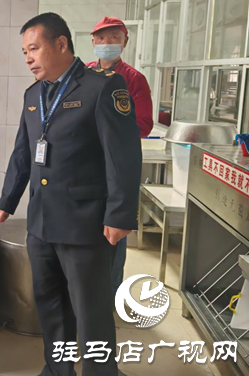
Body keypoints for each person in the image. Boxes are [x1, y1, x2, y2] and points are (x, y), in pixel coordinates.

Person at [0, 13, 142, 375]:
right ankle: (58, 370)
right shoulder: (33, 95)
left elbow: (122, 156)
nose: (28, 58)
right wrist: (8, 199)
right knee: (51, 306)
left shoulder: (102, 88)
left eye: (34, 48)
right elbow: (23, 152)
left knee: (91, 311)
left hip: (85, 225)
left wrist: (120, 214)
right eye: (24, 52)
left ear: (61, 44)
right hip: (42, 223)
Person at [86, 16, 153, 300]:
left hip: (115, 166)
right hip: (86, 165)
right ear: (93, 41)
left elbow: (144, 124)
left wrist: (108, 131)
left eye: (114, 37)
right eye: (102, 38)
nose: (107, 43)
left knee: (114, 230)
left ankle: (110, 299)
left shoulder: (133, 79)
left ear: (125, 41)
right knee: (86, 234)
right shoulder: (83, 73)